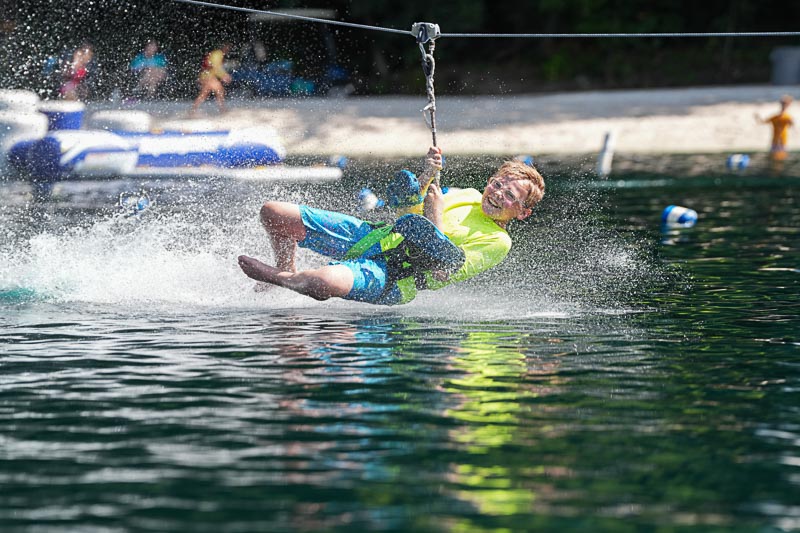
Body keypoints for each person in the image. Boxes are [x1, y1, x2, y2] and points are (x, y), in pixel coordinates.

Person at [237, 146, 545, 305]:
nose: (496, 194)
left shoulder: (498, 242)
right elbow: (406, 207)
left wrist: (434, 214)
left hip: (394, 276)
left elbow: (443, 270)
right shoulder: (468, 195)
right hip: (374, 237)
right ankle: (284, 271)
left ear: (522, 213)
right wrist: (426, 174)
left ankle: (282, 278)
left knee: (320, 284)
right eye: (497, 184)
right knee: (273, 212)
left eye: (509, 196)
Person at [191, 43, 232, 115]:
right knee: (219, 90)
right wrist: (223, 75)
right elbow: (215, 67)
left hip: (206, 76)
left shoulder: (217, 54)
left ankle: (193, 111)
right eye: (228, 48)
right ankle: (222, 110)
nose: (228, 50)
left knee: (204, 94)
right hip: (208, 76)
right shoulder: (218, 54)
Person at [756, 94, 794, 161]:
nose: (783, 106)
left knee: (780, 159)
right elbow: (762, 122)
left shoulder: (786, 117)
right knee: (775, 160)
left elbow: (791, 125)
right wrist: (757, 117)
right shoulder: (775, 117)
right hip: (775, 141)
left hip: (782, 141)